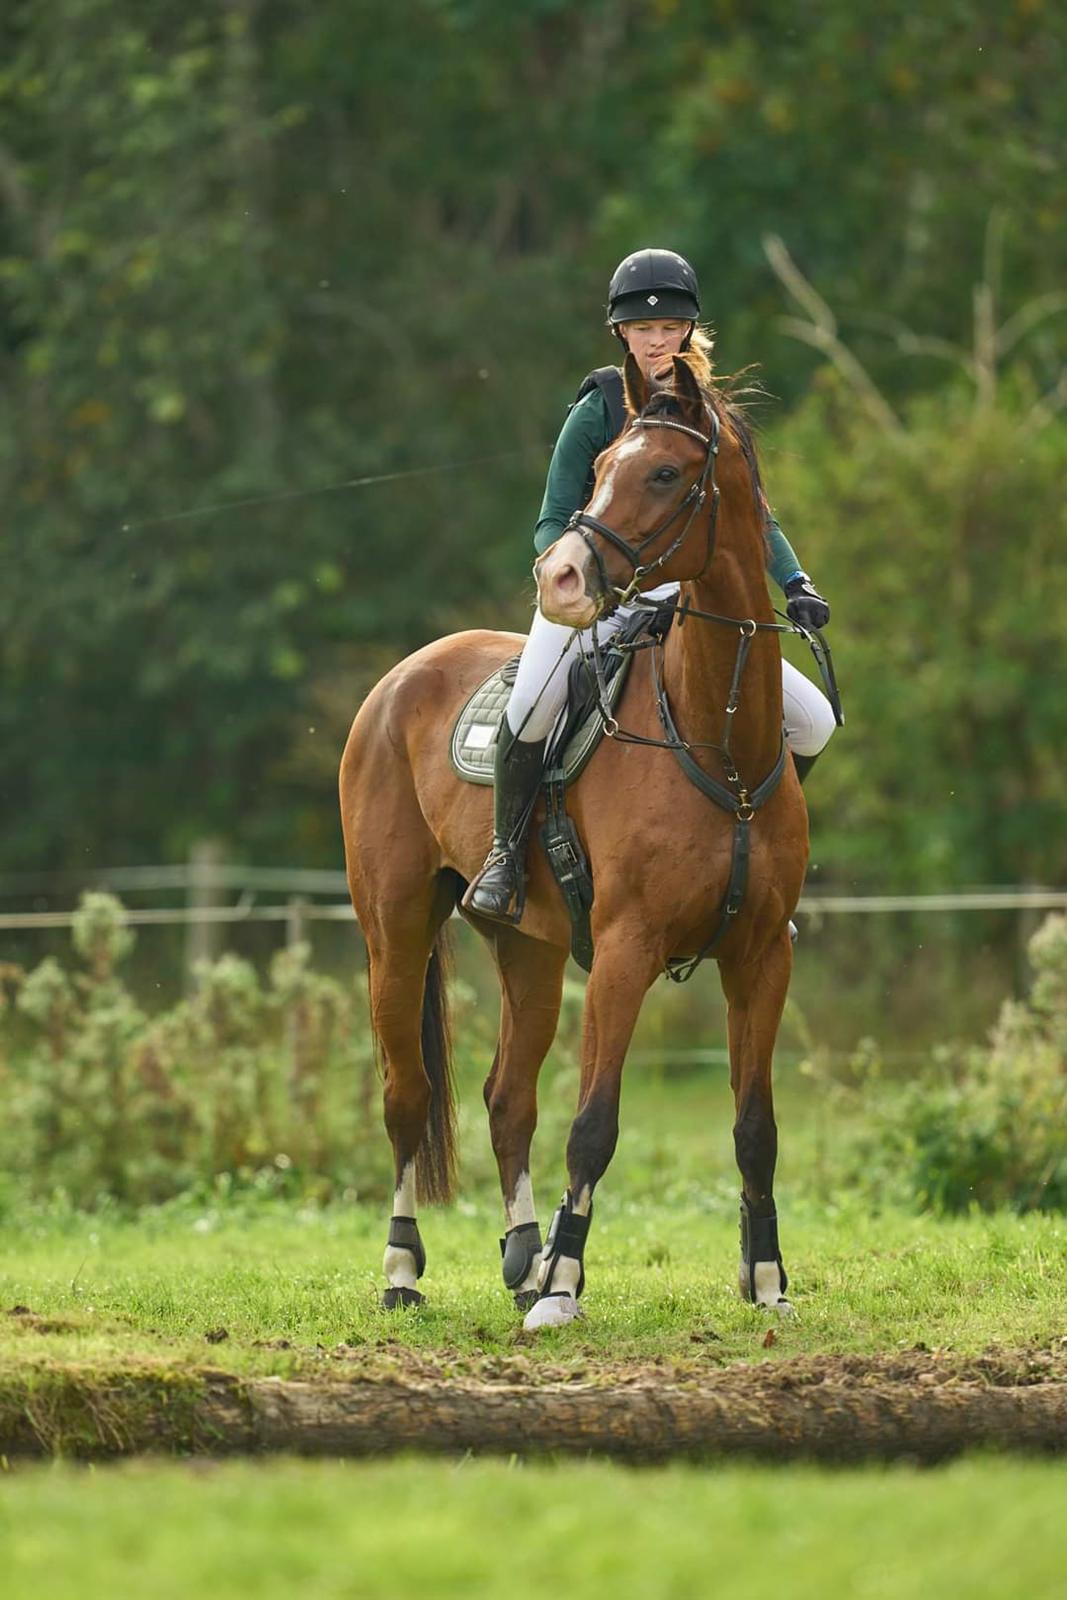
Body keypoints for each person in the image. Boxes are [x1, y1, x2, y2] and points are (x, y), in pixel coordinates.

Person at [462, 248, 835, 925]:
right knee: (532, 705)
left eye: (668, 329)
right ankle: (505, 856)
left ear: (689, 331)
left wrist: (795, 580)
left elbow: (756, 516)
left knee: (813, 721)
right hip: (595, 594)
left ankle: (761, 858)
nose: (656, 341)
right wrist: (564, 572)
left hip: (686, 596)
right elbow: (551, 518)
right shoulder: (600, 407)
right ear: (621, 335)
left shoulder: (713, 417)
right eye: (641, 329)